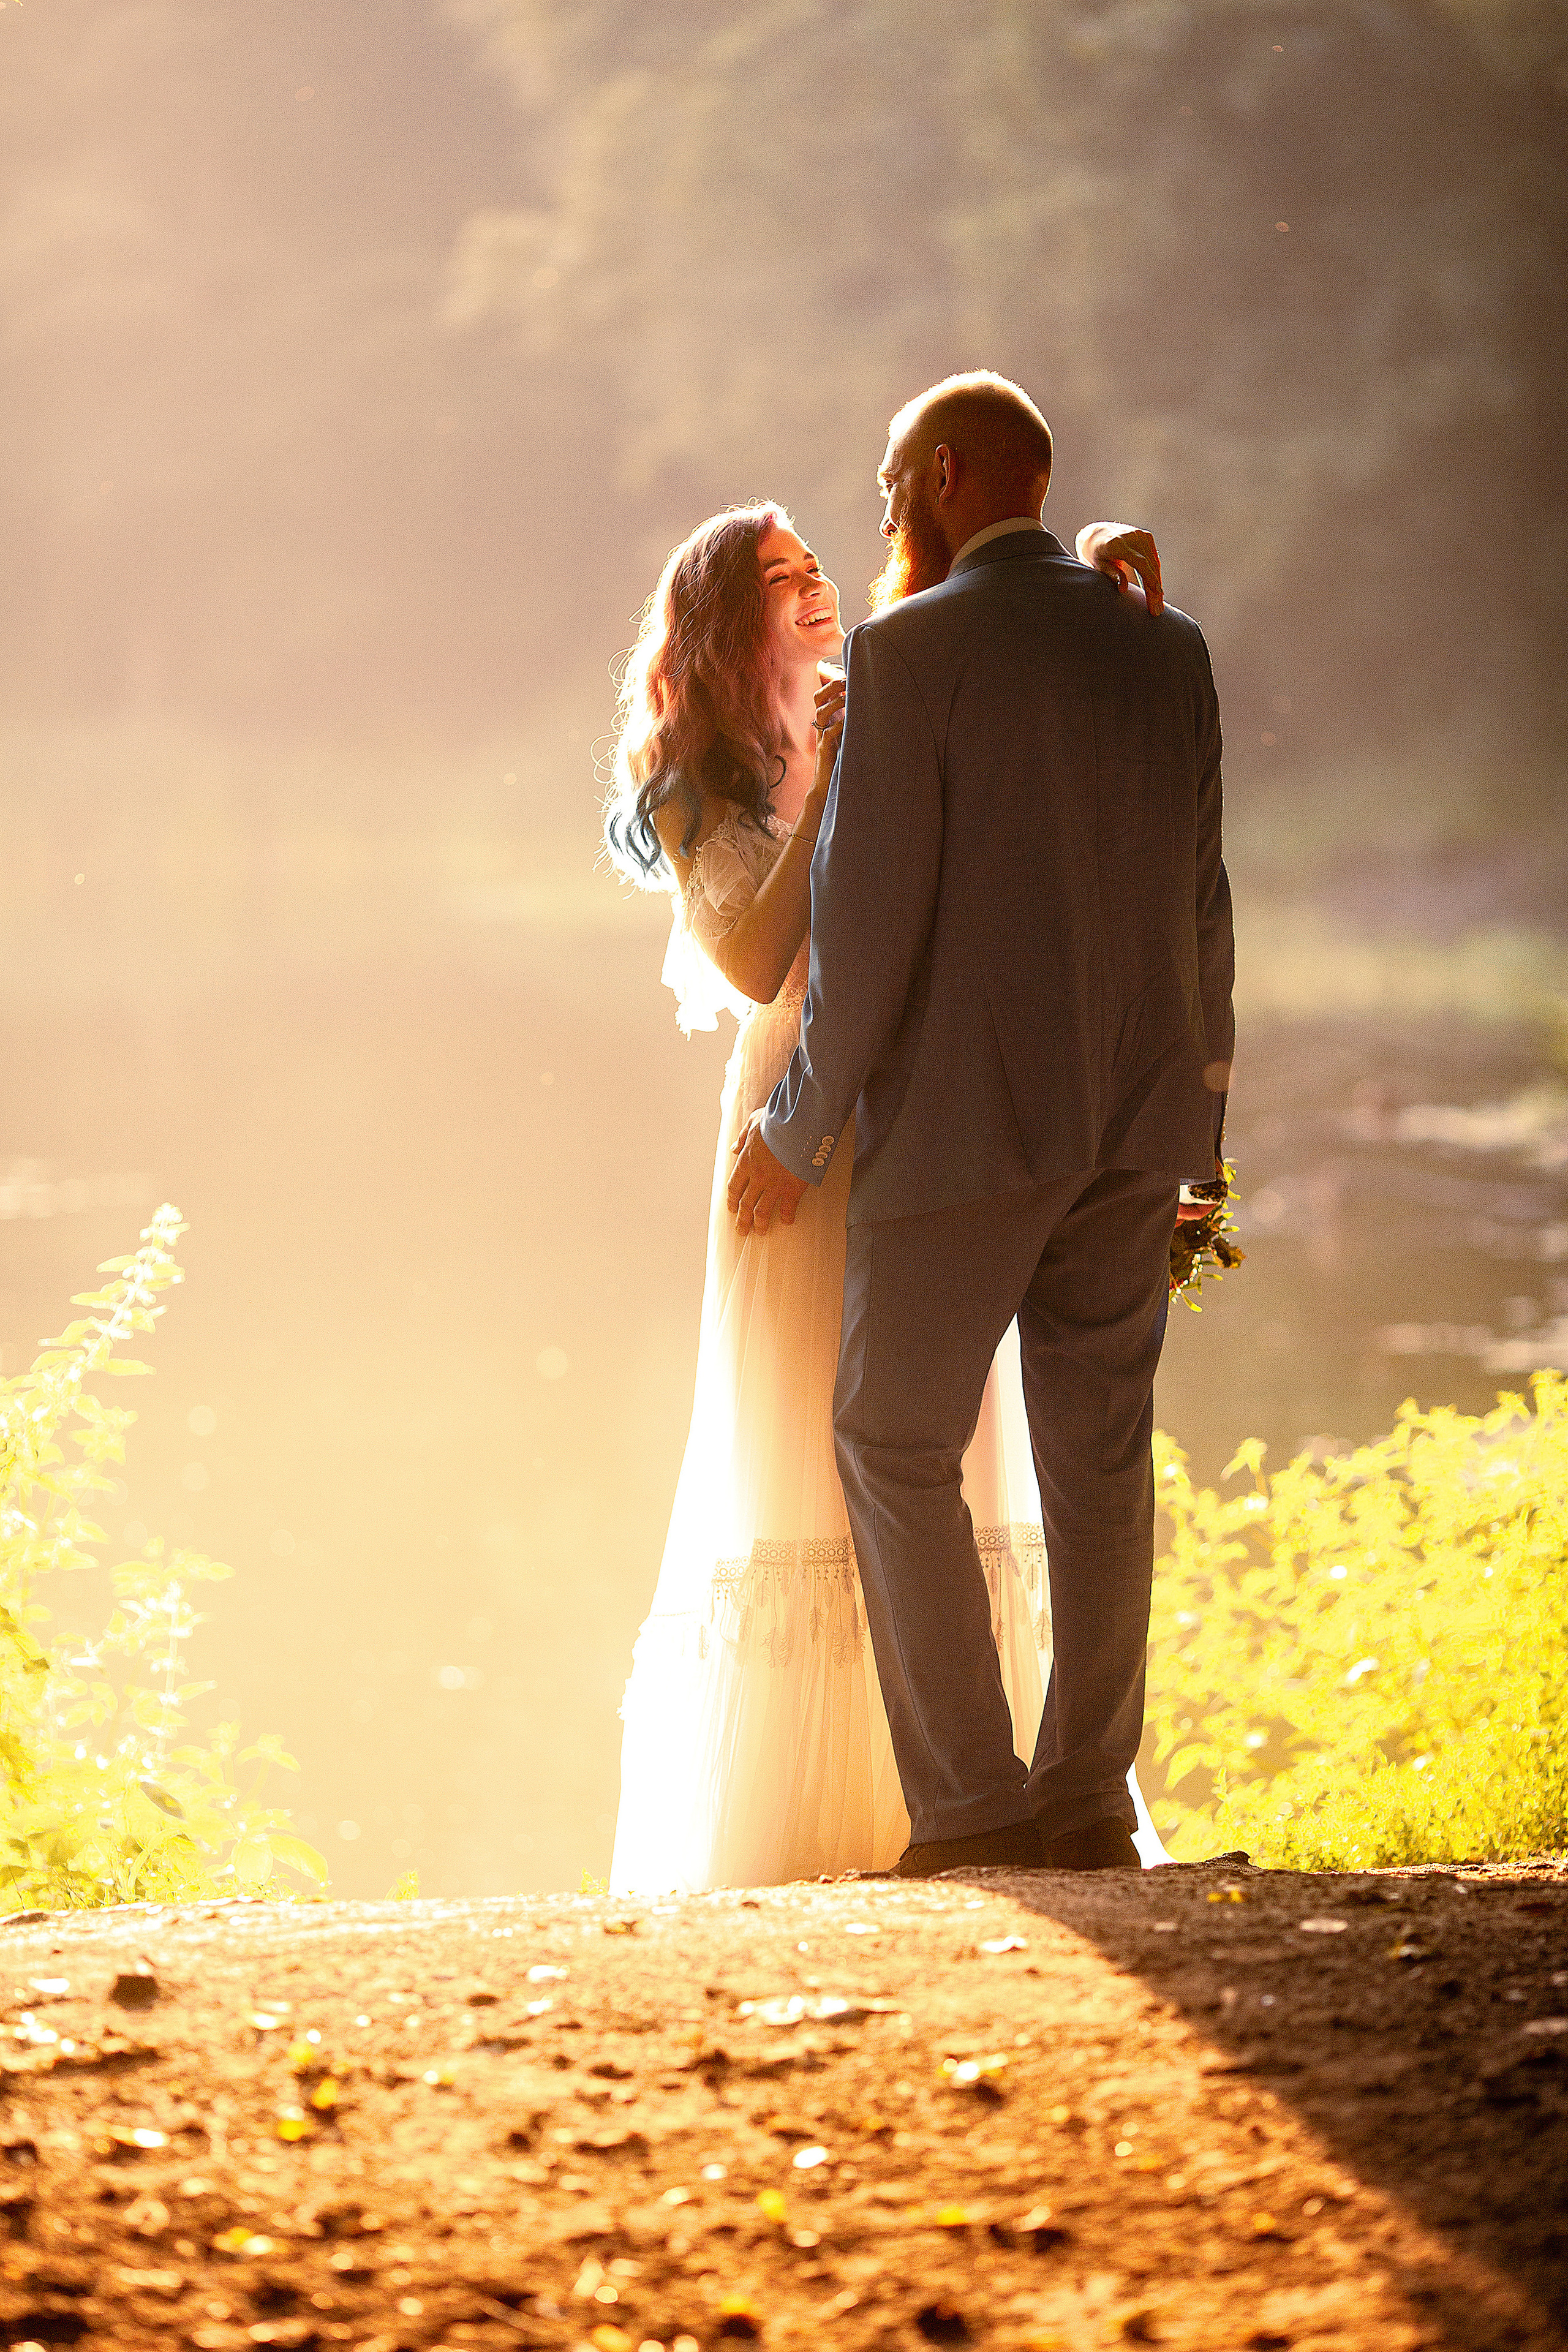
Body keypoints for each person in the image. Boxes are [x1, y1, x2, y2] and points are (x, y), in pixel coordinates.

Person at [602, 474, 1176, 1893]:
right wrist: (841, 778)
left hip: (925, 1104)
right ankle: (826, 1816)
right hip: (795, 1105)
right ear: (728, 620)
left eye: (815, 566)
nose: (815, 590)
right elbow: (752, 958)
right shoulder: (694, 777)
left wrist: (1102, 589)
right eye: (782, 577)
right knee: (817, 1428)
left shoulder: (890, 681)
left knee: (938, 1443)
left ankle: (978, 1787)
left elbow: (1020, 736)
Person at [728, 371, 1234, 1876]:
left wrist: (798, 1123)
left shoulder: (906, 650)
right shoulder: (1168, 646)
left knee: (888, 1441)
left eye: (891, 482)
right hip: (1139, 1124)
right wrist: (1201, 1154)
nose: (882, 507)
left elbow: (866, 927)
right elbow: (1198, 906)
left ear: (943, 474)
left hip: (960, 1134)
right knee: (1100, 1462)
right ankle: (1083, 1801)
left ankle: (966, 1805)